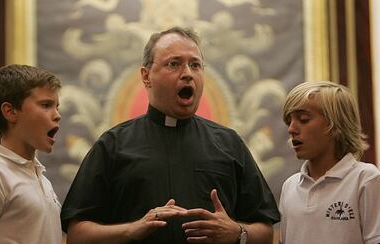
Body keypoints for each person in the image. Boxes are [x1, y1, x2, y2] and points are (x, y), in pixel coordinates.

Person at [60, 26, 280, 244]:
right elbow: (77, 235)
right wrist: (131, 230)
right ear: (146, 76)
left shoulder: (229, 143)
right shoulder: (112, 145)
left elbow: (266, 232)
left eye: (195, 65)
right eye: (174, 64)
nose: (187, 74)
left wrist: (237, 233)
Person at [0, 64, 63, 244]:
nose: (57, 115)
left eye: (57, 107)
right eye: (46, 105)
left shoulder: (44, 181)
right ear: (10, 112)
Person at [279, 81, 380, 244]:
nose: (291, 129)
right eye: (289, 121)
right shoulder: (290, 186)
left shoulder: (366, 179)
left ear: (335, 126)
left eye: (303, 119)